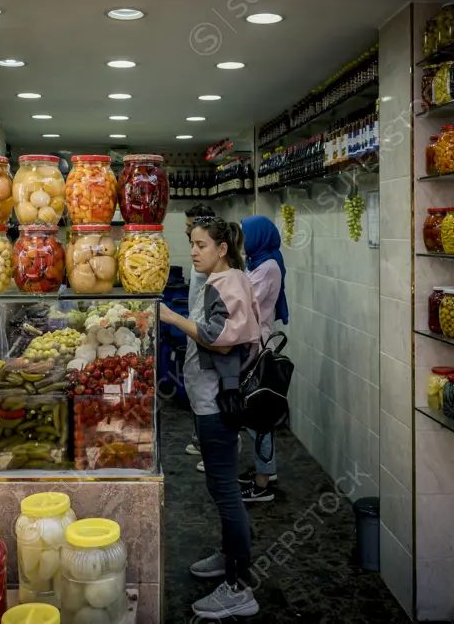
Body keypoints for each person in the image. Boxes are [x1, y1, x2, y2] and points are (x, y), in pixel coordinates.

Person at [160, 216, 261, 619]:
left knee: (226, 492)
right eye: (192, 244)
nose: (194, 252)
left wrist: (171, 318)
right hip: (208, 401)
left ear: (222, 248)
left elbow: (220, 341)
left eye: (201, 244)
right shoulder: (220, 281)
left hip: (219, 404)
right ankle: (228, 556)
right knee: (220, 490)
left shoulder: (230, 282)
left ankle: (240, 587)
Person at [237, 215, 289, 503]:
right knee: (254, 413)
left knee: (259, 414)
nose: (242, 242)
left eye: (245, 235)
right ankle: (264, 469)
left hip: (259, 344)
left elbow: (247, 302)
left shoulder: (268, 266)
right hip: (253, 340)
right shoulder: (257, 261)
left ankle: (262, 484)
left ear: (259, 236)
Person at [183, 204, 216, 463]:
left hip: (206, 332)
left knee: (210, 396)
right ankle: (202, 441)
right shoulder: (200, 258)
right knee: (196, 389)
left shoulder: (218, 269)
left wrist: (174, 319)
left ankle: (216, 452)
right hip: (196, 326)